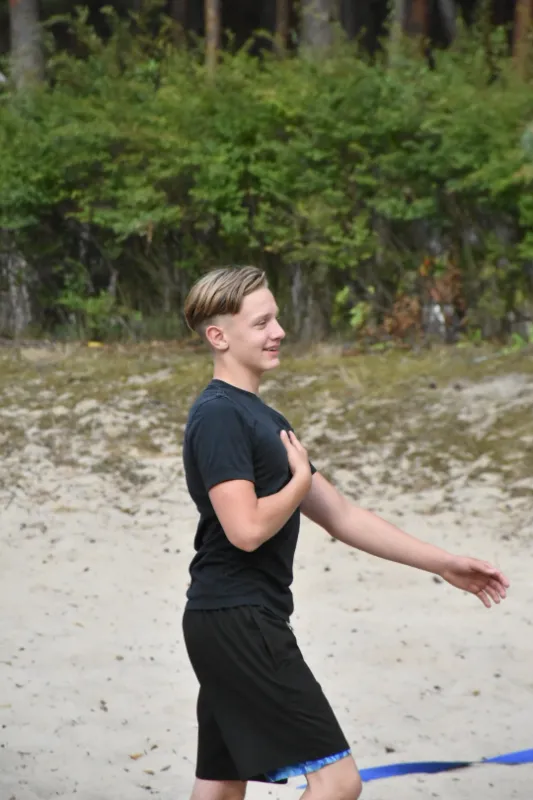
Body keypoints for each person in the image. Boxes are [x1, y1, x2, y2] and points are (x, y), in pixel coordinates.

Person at [180, 265, 510, 800]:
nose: (279, 331)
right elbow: (246, 530)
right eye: (261, 323)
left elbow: (343, 515)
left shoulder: (263, 417)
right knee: (337, 782)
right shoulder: (219, 416)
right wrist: (299, 480)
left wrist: (444, 563)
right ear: (218, 336)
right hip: (240, 620)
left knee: (219, 787)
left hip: (230, 619)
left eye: (276, 318)